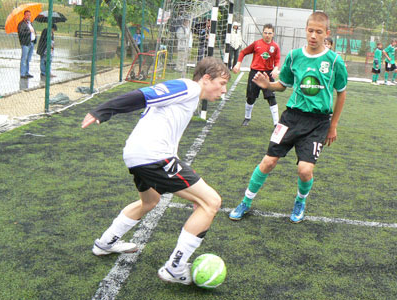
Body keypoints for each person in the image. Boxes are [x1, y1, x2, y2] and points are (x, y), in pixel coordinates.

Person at [81, 56, 230, 285]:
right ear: (207, 79)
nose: (224, 90)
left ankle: (105, 243)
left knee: (150, 201)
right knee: (211, 202)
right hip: (153, 156)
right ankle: (175, 268)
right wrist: (103, 110)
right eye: (222, 83)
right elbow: (143, 95)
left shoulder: (188, 96)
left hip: (137, 155)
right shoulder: (188, 87)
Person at [229, 12, 348, 224]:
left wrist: (333, 125)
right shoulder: (294, 56)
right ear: (306, 30)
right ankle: (245, 202)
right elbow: (283, 85)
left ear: (327, 34)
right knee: (268, 161)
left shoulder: (335, 61)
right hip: (290, 118)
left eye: (318, 32)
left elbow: (342, 92)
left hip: (318, 122)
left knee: (305, 170)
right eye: (310, 30)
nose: (313, 35)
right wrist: (268, 85)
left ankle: (300, 201)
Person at [233, 24, 281, 127]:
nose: (267, 35)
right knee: (251, 98)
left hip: (267, 74)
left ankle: (276, 123)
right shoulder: (256, 44)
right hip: (255, 73)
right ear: (262, 33)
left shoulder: (275, 47)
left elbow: (277, 61)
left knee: (271, 97)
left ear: (273, 34)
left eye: (269, 33)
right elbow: (243, 52)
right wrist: (238, 63)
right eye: (265, 33)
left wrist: (276, 69)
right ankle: (247, 117)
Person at [17, 10, 37, 79]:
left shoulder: (30, 23)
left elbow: (33, 31)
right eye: (27, 15)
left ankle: (27, 72)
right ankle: (22, 73)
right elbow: (21, 33)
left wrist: (35, 36)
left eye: (30, 15)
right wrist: (29, 31)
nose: (29, 16)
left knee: (28, 59)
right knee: (24, 58)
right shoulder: (21, 24)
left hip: (31, 42)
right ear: (24, 15)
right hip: (25, 43)